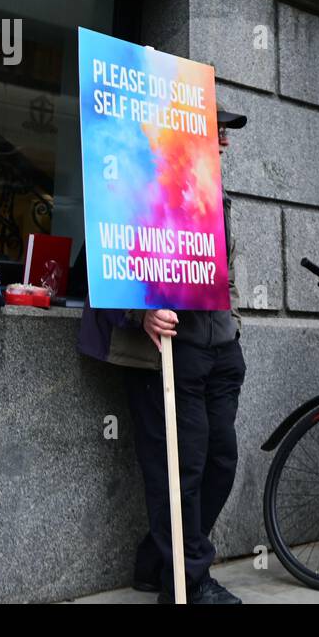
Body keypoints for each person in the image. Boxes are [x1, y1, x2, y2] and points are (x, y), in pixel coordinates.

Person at [78, 107, 248, 604]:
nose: (225, 145)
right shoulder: (139, 186)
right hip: (166, 355)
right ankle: (187, 582)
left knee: (220, 463)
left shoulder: (216, 196)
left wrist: (232, 328)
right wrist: (141, 314)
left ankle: (160, 559)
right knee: (180, 469)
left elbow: (224, 271)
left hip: (218, 349)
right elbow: (107, 263)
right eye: (217, 133)